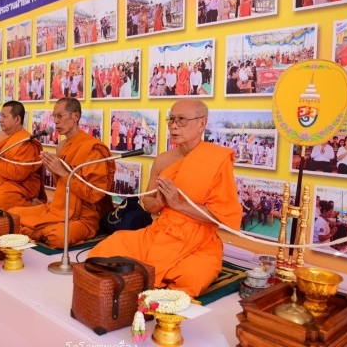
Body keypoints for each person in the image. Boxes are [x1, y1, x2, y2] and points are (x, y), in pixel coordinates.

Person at [88, 100, 242, 297]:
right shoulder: (163, 160)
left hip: (199, 241)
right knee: (106, 249)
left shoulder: (216, 159)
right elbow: (148, 204)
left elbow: (221, 216)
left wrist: (178, 204)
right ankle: (146, 278)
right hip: (160, 232)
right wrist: (160, 202)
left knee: (193, 276)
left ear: (201, 123)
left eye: (182, 120)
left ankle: (149, 283)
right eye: (172, 120)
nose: (174, 126)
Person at [8, 98, 115, 249]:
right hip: (57, 209)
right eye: (54, 116)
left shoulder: (93, 149)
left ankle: (41, 230)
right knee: (11, 214)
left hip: (83, 216)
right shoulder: (61, 146)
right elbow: (61, 186)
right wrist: (54, 170)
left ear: (75, 116)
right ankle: (42, 229)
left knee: (57, 237)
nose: (56, 121)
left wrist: (63, 172)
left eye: (60, 116)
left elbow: (94, 195)